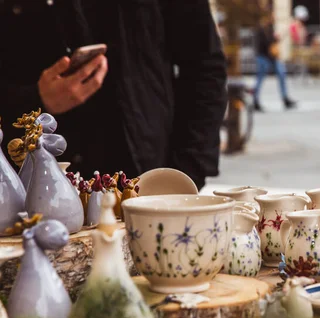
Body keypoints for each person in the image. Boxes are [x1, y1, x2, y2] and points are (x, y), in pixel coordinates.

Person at [0, 0, 227, 190]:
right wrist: (35, 100)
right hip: (29, 188)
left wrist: (185, 173)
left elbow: (203, 67)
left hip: (147, 177)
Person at [253, 15, 297, 112]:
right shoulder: (261, 28)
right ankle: (255, 100)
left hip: (271, 56)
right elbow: (265, 42)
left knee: (281, 74)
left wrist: (278, 37)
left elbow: (272, 41)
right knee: (260, 78)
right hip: (263, 56)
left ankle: (285, 98)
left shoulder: (270, 27)